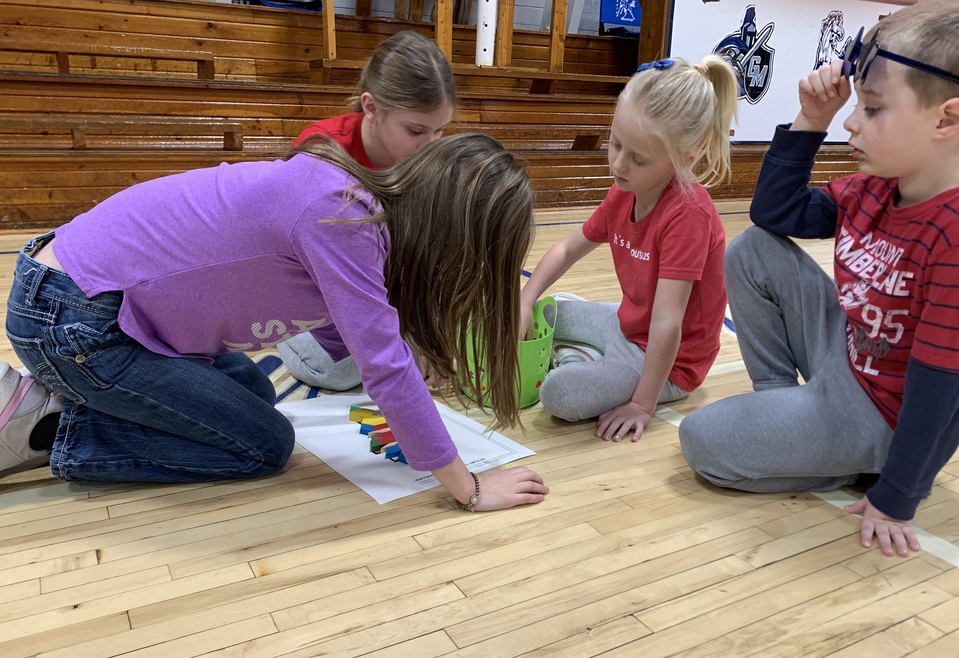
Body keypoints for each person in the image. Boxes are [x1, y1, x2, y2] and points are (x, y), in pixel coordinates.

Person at [2, 132, 549, 513]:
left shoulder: (358, 215)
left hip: (96, 306)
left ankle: (86, 396)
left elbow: (356, 334)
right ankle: (49, 426)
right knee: (262, 444)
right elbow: (383, 367)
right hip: (72, 319)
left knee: (254, 388)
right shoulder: (342, 217)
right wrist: (468, 487)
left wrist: (404, 353)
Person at [678, 0, 959, 557]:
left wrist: (898, 495)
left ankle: (848, 457)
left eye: (873, 107)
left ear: (947, 119)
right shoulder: (882, 182)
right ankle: (785, 409)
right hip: (852, 358)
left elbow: (949, 385)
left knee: (703, 443)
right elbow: (776, 215)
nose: (851, 122)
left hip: (887, 414)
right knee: (752, 250)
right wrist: (809, 119)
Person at [517, 55, 738, 442]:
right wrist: (523, 300)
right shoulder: (625, 189)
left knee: (559, 395)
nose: (618, 163)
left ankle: (593, 367)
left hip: (670, 361)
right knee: (546, 308)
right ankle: (590, 359)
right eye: (615, 143)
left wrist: (642, 404)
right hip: (629, 326)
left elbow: (667, 323)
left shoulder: (688, 214)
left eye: (637, 158)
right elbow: (567, 250)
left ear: (684, 158)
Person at [280, 29, 457, 391]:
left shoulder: (419, 160)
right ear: (371, 107)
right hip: (318, 288)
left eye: (439, 131)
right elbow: (324, 271)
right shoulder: (319, 155)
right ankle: (289, 337)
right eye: (416, 130)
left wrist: (425, 333)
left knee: (445, 344)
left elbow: (419, 254)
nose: (429, 146)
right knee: (343, 372)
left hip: (372, 288)